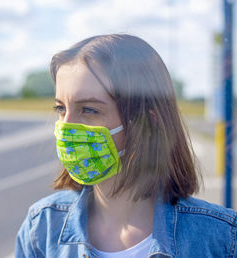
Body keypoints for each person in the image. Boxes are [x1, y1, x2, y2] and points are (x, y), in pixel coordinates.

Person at [15, 34, 237, 258]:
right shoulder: (40, 228)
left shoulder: (221, 239)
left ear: (147, 121)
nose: (66, 127)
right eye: (61, 109)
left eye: (89, 110)